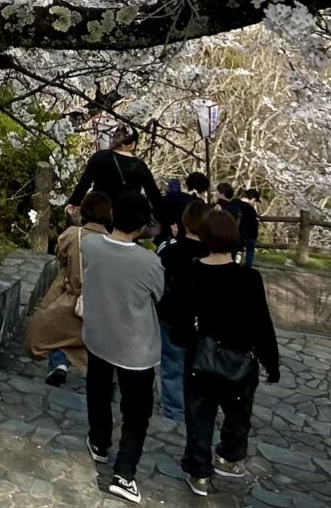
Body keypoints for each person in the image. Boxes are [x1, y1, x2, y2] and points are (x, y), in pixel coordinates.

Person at [164, 207, 279, 497]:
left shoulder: (194, 270)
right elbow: (262, 323)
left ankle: (199, 472)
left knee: (200, 415)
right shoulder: (250, 278)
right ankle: (229, 457)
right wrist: (271, 362)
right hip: (240, 358)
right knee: (238, 413)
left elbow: (180, 316)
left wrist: (183, 339)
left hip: (202, 357)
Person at [83, 192, 169, 501]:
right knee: (136, 411)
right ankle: (124, 473)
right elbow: (160, 296)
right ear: (142, 225)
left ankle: (99, 442)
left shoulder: (89, 246)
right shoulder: (149, 261)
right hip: (136, 347)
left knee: (98, 389)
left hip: (99, 335)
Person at [27, 191, 107, 385]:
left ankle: (59, 364)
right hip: (100, 303)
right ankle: (96, 377)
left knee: (58, 332)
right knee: (87, 342)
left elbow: (60, 256)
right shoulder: (111, 241)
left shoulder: (73, 235)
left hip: (71, 296)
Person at [156, 200, 210, 425]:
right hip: (202, 320)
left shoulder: (170, 249)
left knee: (171, 364)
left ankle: (173, 410)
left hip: (171, 315)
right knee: (197, 368)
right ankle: (194, 409)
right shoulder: (213, 254)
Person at [69, 126, 164, 237]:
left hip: (98, 214)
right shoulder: (139, 166)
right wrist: (166, 220)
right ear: (133, 144)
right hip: (125, 219)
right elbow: (154, 196)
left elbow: (84, 183)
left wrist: (73, 202)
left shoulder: (99, 157)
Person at [216, 182, 261, 268]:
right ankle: (247, 269)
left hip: (234, 235)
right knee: (249, 253)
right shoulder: (249, 209)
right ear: (252, 199)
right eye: (255, 201)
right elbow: (254, 223)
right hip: (247, 235)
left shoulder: (234, 203)